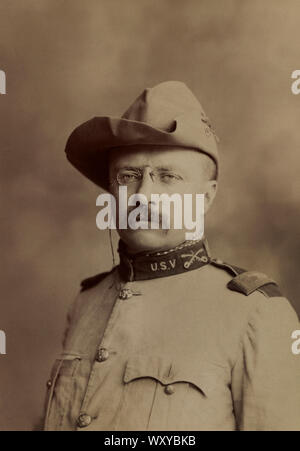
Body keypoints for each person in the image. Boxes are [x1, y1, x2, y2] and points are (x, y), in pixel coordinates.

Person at [43, 81, 300, 431]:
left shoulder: (256, 314)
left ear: (206, 197)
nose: (143, 195)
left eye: (168, 177)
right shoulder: (86, 303)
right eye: (128, 175)